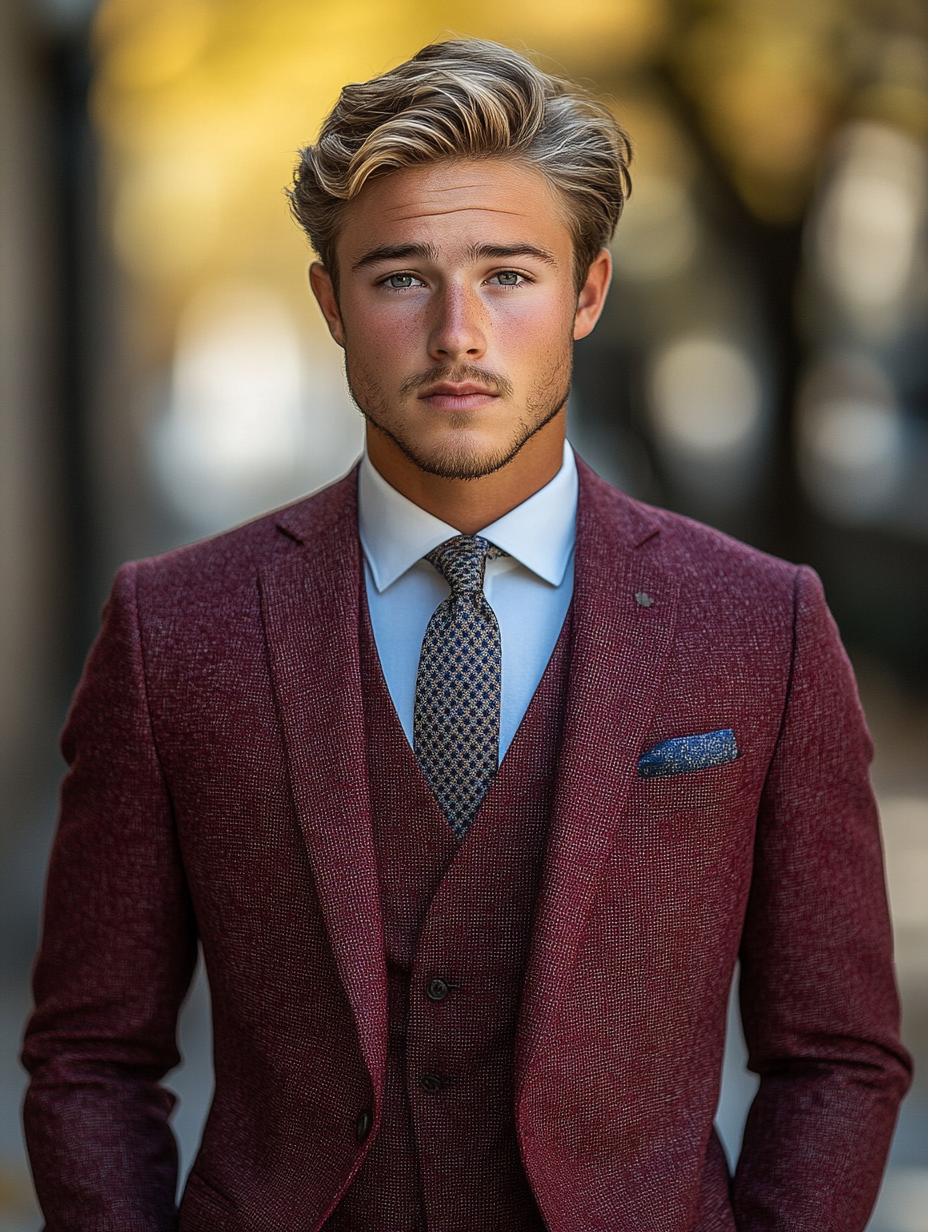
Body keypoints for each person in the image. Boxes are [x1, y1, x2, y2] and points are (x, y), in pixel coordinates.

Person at [23, 37, 910, 1232]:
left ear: (588, 291)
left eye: (507, 274)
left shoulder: (761, 625)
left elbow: (837, 1056)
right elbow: (92, 1055)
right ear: (331, 302)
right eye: (398, 277)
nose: (457, 332)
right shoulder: (172, 631)